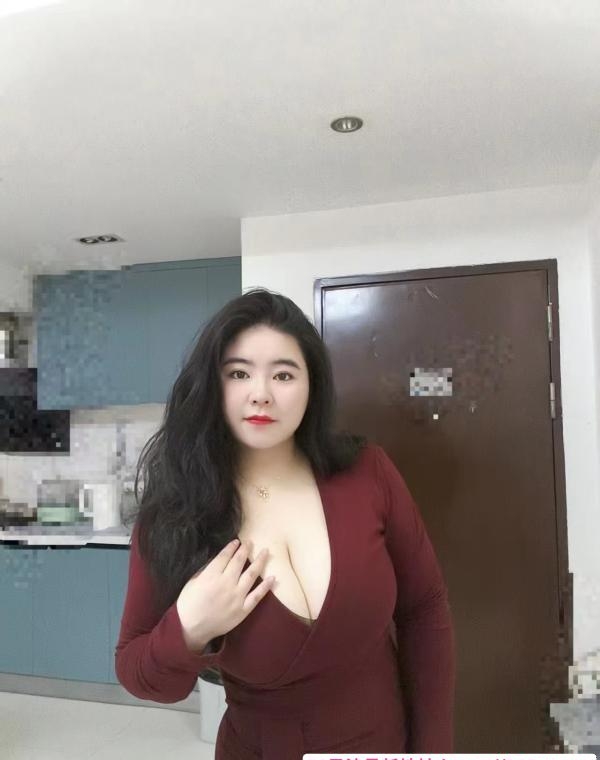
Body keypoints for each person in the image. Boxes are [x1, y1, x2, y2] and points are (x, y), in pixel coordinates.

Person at [115, 288, 456, 759]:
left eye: (283, 374)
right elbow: (140, 673)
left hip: (383, 742)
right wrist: (189, 626)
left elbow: (424, 609)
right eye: (239, 373)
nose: (261, 393)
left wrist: (433, 749)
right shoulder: (175, 512)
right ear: (212, 385)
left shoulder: (368, 472)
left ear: (312, 385)